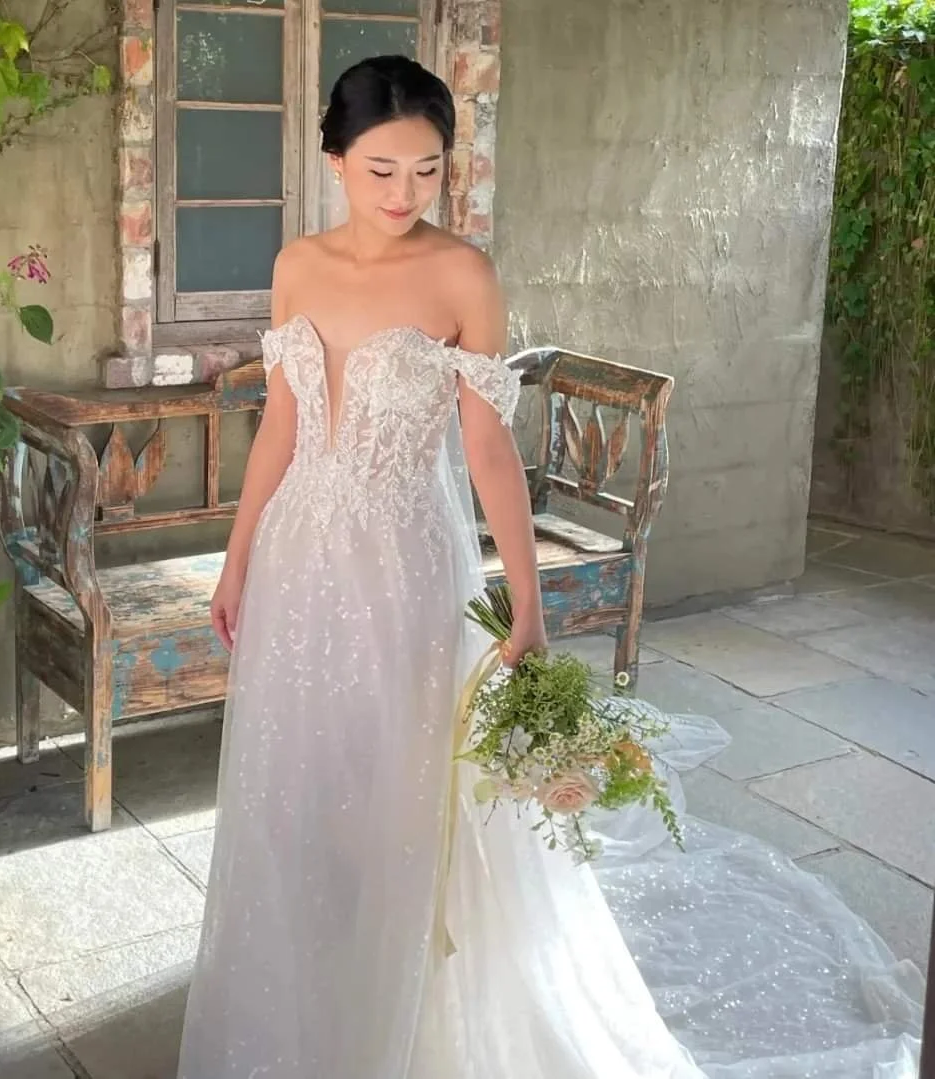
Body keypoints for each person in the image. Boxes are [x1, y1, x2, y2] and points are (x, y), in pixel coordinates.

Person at [177, 56, 923, 1079]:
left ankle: (407, 1004)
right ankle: (314, 983)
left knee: (408, 774)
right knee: (307, 772)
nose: (403, 195)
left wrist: (526, 605)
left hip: (405, 558)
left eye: (427, 172)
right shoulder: (298, 264)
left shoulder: (461, 274)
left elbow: (488, 449)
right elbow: (283, 427)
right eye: (380, 169)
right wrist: (238, 558)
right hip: (306, 550)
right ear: (335, 159)